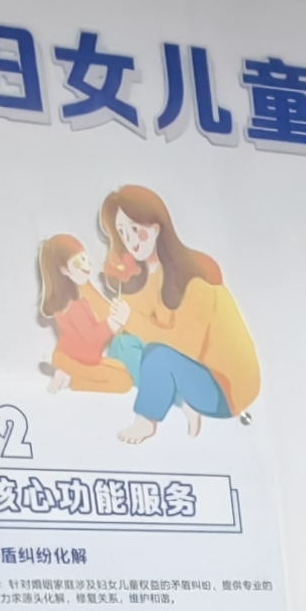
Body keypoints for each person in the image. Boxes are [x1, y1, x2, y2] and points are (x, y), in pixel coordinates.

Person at [46, 186, 262, 443]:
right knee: (122, 346)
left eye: (135, 229)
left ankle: (146, 421)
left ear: (157, 227)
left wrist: (131, 319)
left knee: (157, 355)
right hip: (190, 377)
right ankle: (182, 402)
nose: (130, 240)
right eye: (122, 232)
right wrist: (82, 285)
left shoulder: (195, 277)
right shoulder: (146, 274)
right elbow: (123, 323)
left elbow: (185, 347)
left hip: (225, 388)